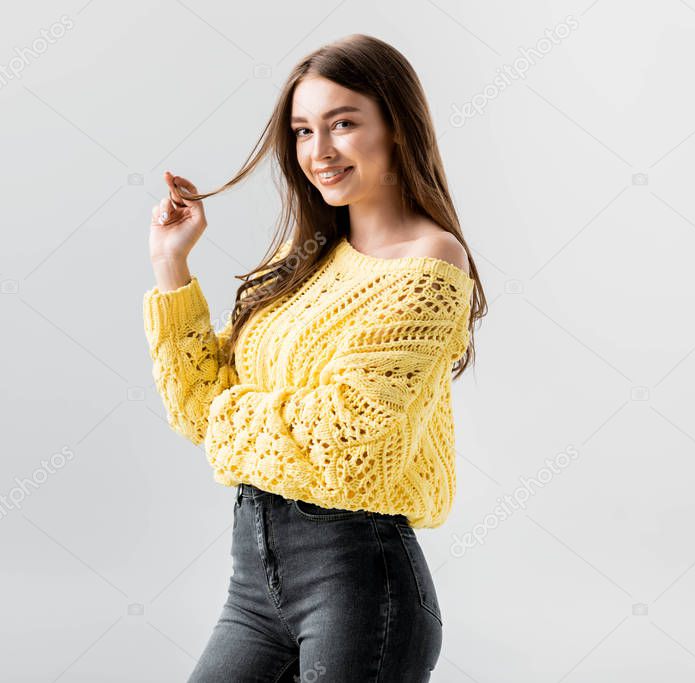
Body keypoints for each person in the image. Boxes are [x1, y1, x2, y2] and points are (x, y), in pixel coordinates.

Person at [142, 33, 488, 683]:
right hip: (251, 587)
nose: (319, 151)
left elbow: (346, 432)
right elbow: (195, 408)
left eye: (343, 124)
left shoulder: (431, 263)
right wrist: (172, 265)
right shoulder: (300, 263)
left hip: (360, 587)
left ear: (397, 127)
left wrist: (230, 414)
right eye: (303, 130)